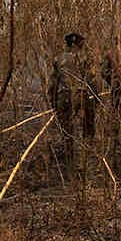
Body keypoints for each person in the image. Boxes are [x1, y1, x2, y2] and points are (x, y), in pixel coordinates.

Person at [48, 32, 98, 175]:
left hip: (63, 98)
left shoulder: (58, 59)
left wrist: (53, 104)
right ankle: (85, 162)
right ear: (77, 44)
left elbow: (52, 84)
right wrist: (95, 101)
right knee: (88, 130)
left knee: (67, 132)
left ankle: (70, 164)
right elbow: (92, 81)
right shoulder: (85, 58)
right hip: (83, 96)